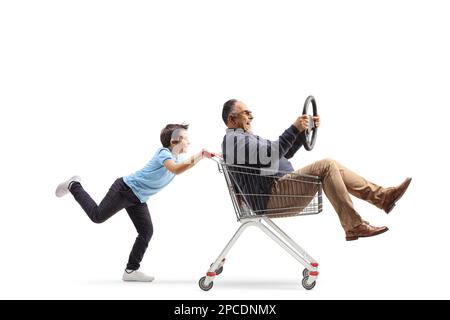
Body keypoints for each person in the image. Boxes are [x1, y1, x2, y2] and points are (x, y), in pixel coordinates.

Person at [221, 99, 411, 241]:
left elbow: (281, 156)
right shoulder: (234, 141)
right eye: (246, 113)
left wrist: (302, 132)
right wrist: (294, 128)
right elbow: (272, 153)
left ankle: (382, 198)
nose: (251, 116)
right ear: (232, 118)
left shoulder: (244, 138)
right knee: (326, 165)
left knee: (331, 166)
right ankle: (355, 223)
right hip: (272, 197)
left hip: (281, 188)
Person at [55, 124, 212, 281]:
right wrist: (200, 155)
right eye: (186, 139)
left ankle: (130, 271)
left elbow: (181, 166)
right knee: (97, 216)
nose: (189, 142)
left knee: (146, 231)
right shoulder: (163, 153)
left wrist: (208, 155)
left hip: (139, 199)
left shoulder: (178, 158)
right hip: (125, 190)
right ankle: (74, 185)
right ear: (173, 142)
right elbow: (176, 169)